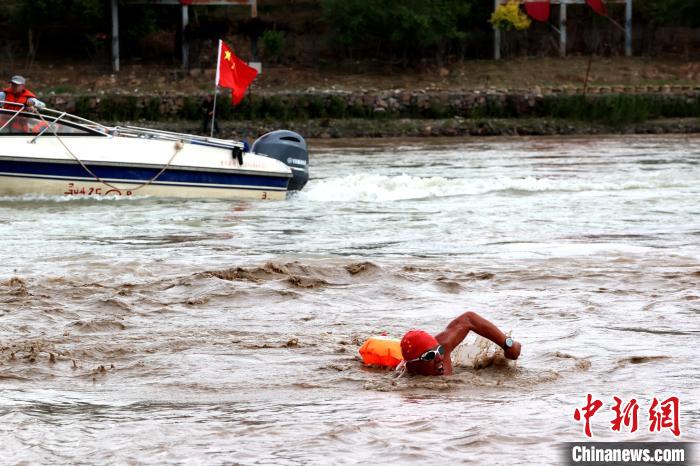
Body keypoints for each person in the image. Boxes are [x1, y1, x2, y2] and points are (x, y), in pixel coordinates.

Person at [400, 311, 522, 376]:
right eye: (430, 356)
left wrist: (508, 344)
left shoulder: (444, 345)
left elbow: (468, 319)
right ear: (412, 367)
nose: (439, 357)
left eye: (439, 350)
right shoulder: (409, 384)